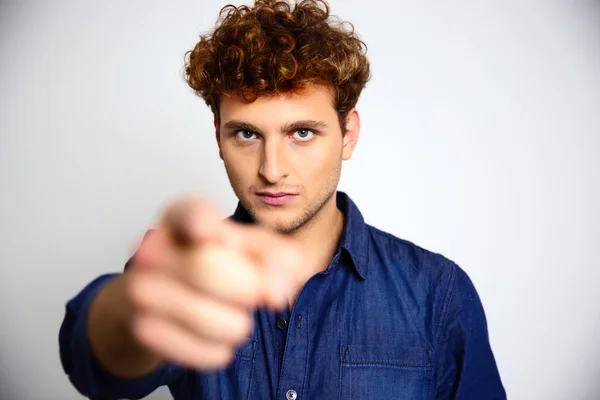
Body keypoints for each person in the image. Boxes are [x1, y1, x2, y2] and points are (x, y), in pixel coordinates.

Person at [58, 0, 506, 399]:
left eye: (302, 132)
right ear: (218, 136)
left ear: (348, 134)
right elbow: (96, 370)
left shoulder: (436, 292)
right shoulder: (188, 269)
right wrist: (131, 306)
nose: (272, 170)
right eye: (247, 134)